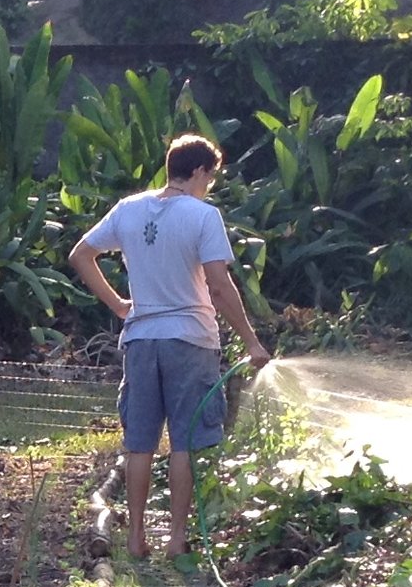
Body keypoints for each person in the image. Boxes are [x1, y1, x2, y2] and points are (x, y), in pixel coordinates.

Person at [68, 132, 271, 561]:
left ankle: (137, 537)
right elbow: (219, 283)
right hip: (190, 339)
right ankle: (176, 539)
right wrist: (252, 342)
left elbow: (81, 255)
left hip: (141, 339)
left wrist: (120, 305)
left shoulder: (129, 209)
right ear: (198, 171)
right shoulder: (202, 216)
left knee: (139, 443)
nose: (209, 185)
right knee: (185, 442)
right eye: (210, 177)